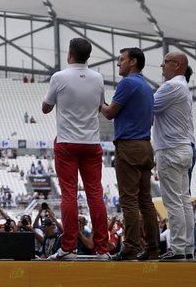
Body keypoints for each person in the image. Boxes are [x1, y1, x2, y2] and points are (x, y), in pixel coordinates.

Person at [41, 37, 110, 260]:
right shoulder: (98, 78)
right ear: (88, 56)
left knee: (69, 194)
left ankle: (68, 247)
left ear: (70, 53)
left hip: (67, 142)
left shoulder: (59, 77)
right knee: (95, 194)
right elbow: (100, 105)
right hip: (91, 142)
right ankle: (102, 248)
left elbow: (45, 108)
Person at [100, 47, 158, 261]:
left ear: (133, 62)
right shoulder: (146, 86)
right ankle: (152, 247)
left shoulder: (128, 83)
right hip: (145, 145)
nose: (118, 63)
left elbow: (110, 113)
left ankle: (130, 247)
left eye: (121, 60)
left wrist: (99, 101)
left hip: (129, 145)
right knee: (146, 200)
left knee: (129, 200)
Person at [152, 51, 195, 261]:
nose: (162, 66)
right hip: (183, 148)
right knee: (184, 201)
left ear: (177, 65)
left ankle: (177, 249)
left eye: (166, 63)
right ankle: (186, 248)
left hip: (170, 149)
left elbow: (147, 108)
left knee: (174, 203)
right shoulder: (183, 87)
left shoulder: (170, 87)